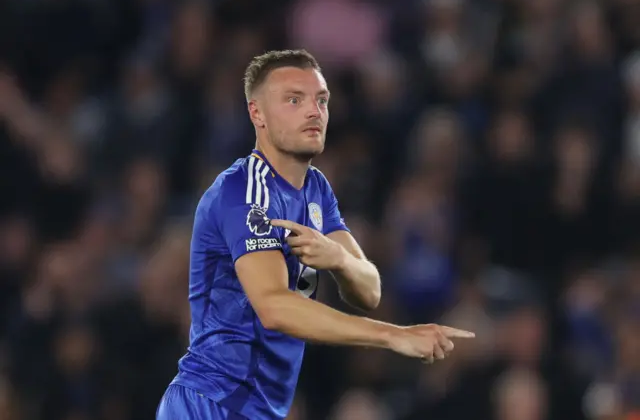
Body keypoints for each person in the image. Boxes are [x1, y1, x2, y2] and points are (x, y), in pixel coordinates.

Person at [156, 49, 475, 420]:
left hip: (257, 408)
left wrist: (339, 260)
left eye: (321, 100)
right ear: (256, 113)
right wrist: (392, 335)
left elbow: (370, 289)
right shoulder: (246, 192)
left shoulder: (316, 189)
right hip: (212, 404)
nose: (314, 111)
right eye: (294, 99)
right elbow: (274, 307)